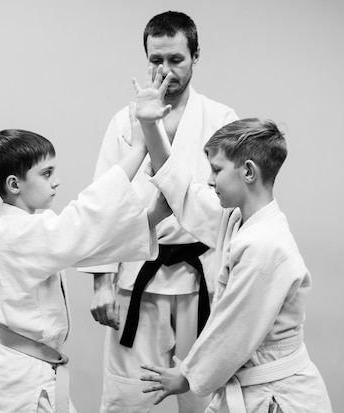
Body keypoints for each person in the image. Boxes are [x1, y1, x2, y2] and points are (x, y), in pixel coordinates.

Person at [133, 70, 333, 412]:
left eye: (216, 170)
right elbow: (181, 186)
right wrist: (150, 125)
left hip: (278, 396)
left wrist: (186, 376)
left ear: (249, 172)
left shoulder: (264, 245)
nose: (209, 181)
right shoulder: (238, 219)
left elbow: (234, 330)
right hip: (255, 388)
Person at [78, 10, 238, 413]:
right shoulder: (123, 122)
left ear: (195, 56)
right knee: (126, 396)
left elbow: (236, 208)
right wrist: (101, 280)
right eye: (155, 60)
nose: (164, 70)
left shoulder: (221, 121)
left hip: (200, 279)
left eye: (175, 59)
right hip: (137, 279)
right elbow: (103, 204)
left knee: (202, 396)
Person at [0, 126, 171, 413]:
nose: (57, 181)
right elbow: (84, 218)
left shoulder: (28, 229)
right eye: (46, 173)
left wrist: (152, 217)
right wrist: (139, 150)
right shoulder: (18, 234)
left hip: (25, 367)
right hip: (20, 377)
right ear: (15, 184)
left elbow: (89, 247)